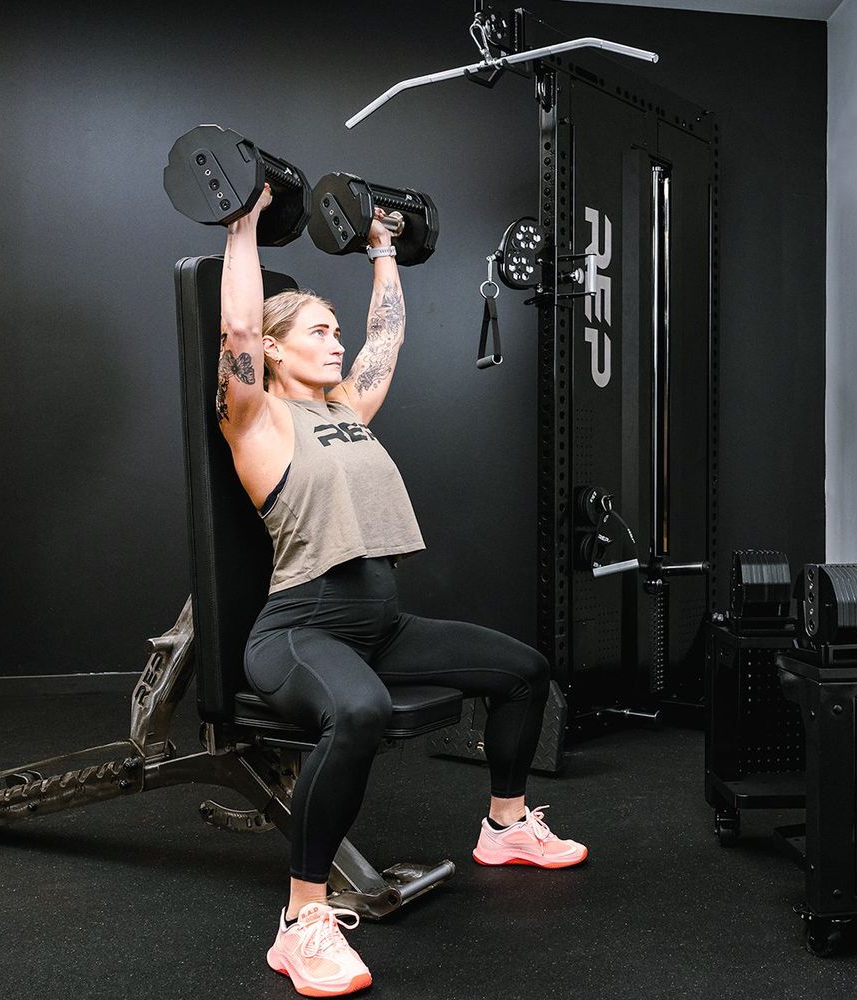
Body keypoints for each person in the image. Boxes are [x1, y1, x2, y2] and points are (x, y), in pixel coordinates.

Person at [217, 183, 586, 998]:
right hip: (300, 630)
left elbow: (385, 336)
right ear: (273, 349)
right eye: (319, 330)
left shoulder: (349, 408)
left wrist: (383, 249)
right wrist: (242, 226)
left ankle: (505, 826)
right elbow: (237, 328)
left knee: (524, 672)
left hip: (381, 624)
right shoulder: (256, 418)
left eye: (335, 329)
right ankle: (302, 920)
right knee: (360, 710)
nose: (337, 341)